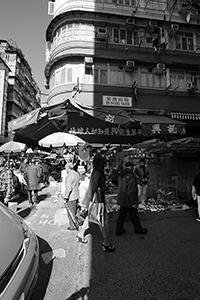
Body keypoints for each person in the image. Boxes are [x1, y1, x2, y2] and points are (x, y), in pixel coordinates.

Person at [77, 153, 115, 252]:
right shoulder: (99, 173)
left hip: (93, 200)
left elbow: (93, 187)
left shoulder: (95, 172)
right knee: (102, 220)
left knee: (91, 217)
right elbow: (96, 188)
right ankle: (106, 242)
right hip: (98, 200)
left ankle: (80, 234)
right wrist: (105, 187)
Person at [116, 161, 148, 236]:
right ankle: (138, 229)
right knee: (134, 215)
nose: (133, 168)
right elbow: (132, 190)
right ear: (130, 167)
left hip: (123, 198)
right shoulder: (130, 176)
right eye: (132, 167)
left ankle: (118, 230)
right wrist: (134, 202)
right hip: (128, 200)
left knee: (121, 215)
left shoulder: (121, 175)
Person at [63, 158, 80, 230]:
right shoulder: (76, 174)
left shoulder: (69, 176)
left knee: (70, 212)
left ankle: (72, 226)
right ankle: (75, 223)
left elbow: (68, 188)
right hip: (76, 195)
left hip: (71, 197)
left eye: (66, 169)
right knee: (75, 210)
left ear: (67, 168)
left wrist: (65, 197)